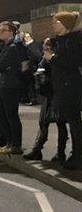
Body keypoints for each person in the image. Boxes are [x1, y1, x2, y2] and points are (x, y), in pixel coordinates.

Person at [48, 11, 82, 169]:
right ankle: (66, 154)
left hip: (70, 87)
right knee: (63, 121)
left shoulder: (72, 41)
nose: (53, 25)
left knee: (74, 123)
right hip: (62, 87)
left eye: (56, 22)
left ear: (65, 25)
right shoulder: (62, 41)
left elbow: (73, 62)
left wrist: (53, 58)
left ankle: (77, 156)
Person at [24, 38, 65, 161]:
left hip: (56, 94)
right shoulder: (45, 58)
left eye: (47, 47)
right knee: (44, 123)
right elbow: (40, 66)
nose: (45, 50)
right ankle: (37, 149)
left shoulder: (56, 58)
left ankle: (60, 153)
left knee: (60, 123)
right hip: (48, 94)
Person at [0, 21, 29, 155]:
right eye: (0, 30)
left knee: (11, 115)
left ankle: (15, 145)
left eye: (3, 30)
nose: (0, 32)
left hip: (10, 85)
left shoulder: (13, 47)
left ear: (11, 32)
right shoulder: (7, 46)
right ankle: (9, 143)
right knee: (1, 115)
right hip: (4, 84)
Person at [23, 32, 42, 106]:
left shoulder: (31, 45)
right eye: (25, 37)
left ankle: (33, 99)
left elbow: (36, 55)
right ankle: (33, 98)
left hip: (32, 67)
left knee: (32, 83)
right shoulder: (31, 45)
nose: (26, 38)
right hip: (31, 66)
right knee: (31, 84)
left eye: (28, 36)